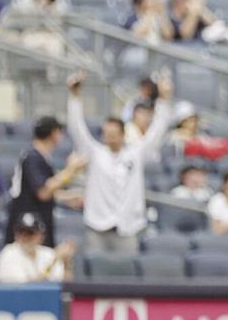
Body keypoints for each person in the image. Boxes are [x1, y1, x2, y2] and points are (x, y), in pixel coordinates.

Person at [67, 70, 172, 252]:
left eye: (114, 135)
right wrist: (75, 97)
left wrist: (163, 100)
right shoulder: (95, 152)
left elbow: (157, 131)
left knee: (126, 276)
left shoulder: (136, 152)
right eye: (107, 134)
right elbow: (77, 129)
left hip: (128, 227)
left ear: (123, 135)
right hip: (97, 225)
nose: (111, 138)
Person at [4, 115, 86, 247]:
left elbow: (46, 191)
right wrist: (71, 170)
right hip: (27, 230)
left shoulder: (40, 158)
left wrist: (68, 198)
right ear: (54, 133)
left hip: (39, 225)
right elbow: (43, 192)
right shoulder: (32, 157)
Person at [0, 213, 75, 284]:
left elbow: (65, 286)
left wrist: (66, 263)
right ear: (15, 235)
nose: (25, 237)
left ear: (41, 236)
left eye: (30, 233)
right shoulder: (8, 254)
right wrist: (53, 262)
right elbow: (28, 289)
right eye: (21, 232)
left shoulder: (48, 253)